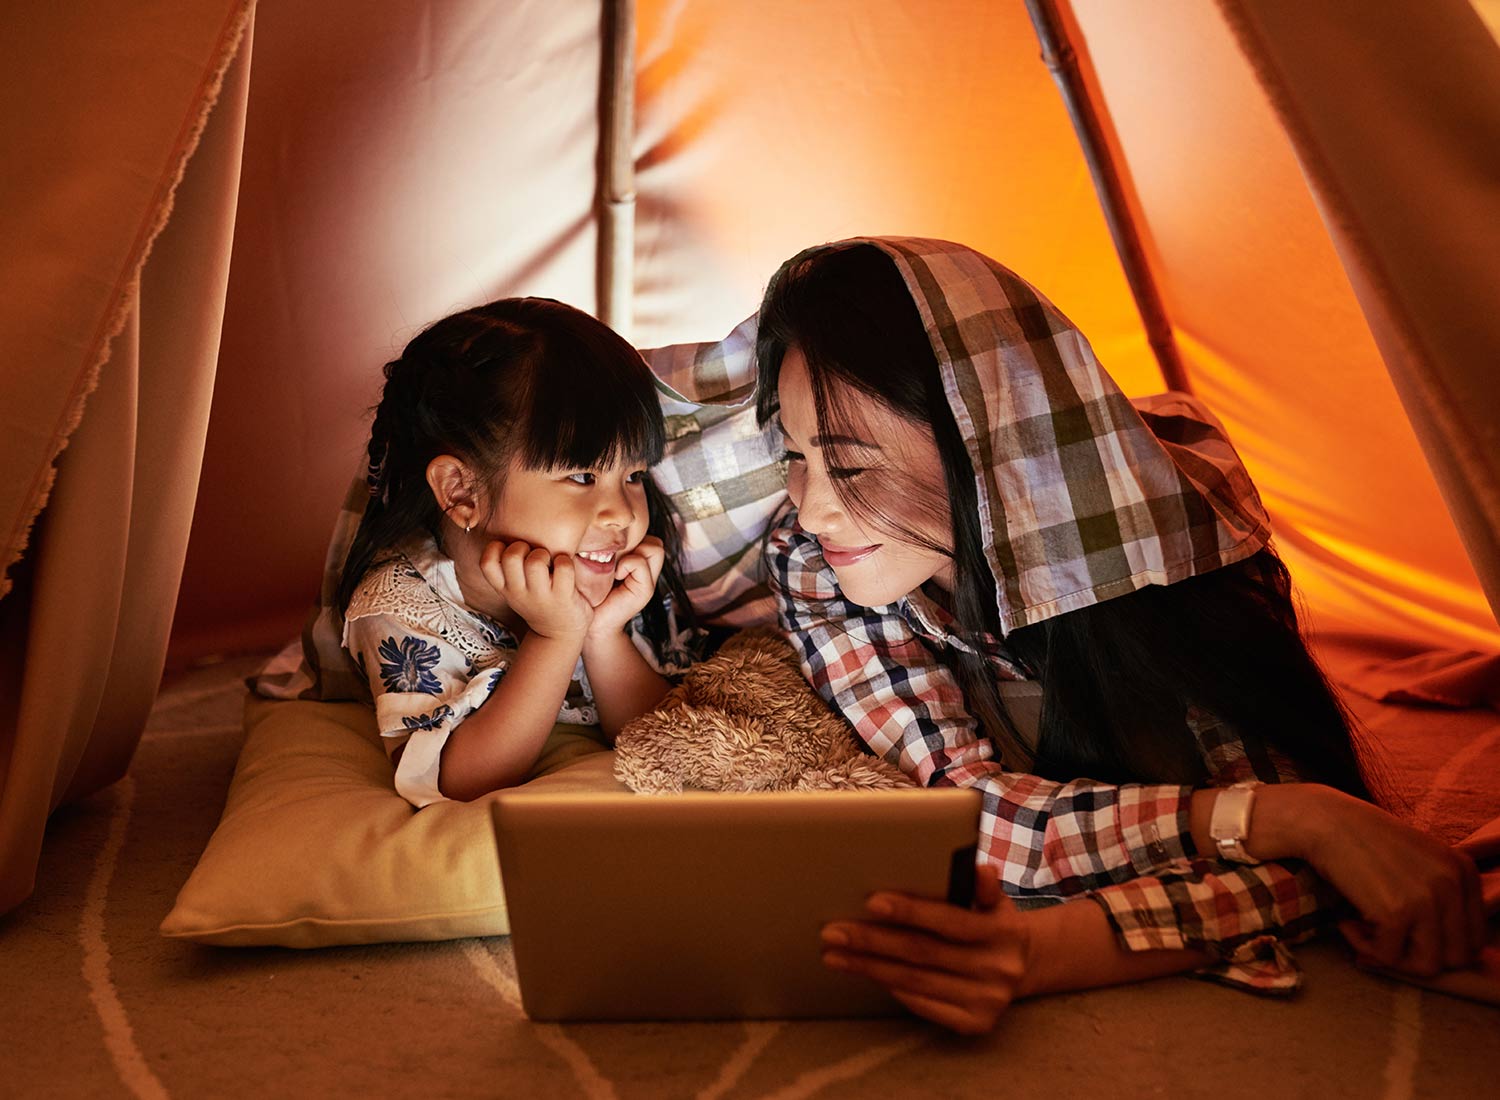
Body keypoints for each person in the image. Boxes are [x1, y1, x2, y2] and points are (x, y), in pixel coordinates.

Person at [756, 237, 1485, 1034]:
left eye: (852, 469)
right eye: (794, 458)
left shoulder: (1162, 554)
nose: (811, 506)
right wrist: (1296, 818)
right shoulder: (812, 561)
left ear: (984, 447)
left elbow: (1336, 862)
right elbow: (967, 813)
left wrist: (1046, 948)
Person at [338, 298, 700, 807]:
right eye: (582, 476)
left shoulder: (613, 569)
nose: (622, 514)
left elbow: (668, 742)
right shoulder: (402, 606)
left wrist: (602, 633)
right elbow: (458, 781)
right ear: (461, 491)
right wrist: (556, 637)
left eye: (634, 476)